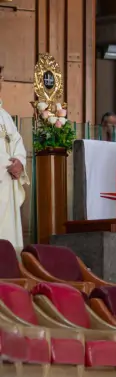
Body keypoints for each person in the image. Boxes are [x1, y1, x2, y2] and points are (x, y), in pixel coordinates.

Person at [0, 67, 29, 254]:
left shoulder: (5, 116)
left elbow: (17, 141)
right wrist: (7, 164)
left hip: (7, 183)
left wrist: (19, 162)